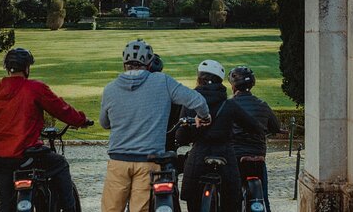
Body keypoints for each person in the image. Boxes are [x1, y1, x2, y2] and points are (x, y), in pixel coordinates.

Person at [99, 39, 211, 212]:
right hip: (149, 160)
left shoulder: (110, 89)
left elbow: (104, 123)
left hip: (118, 161)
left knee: (111, 209)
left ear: (124, 64)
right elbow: (197, 100)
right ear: (149, 63)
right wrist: (204, 116)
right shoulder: (162, 81)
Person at [0, 48, 90, 212]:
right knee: (60, 164)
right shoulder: (34, 88)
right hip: (27, 154)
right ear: (27, 68)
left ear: (7, 68)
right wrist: (81, 120)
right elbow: (60, 109)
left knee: (5, 204)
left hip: (0, 158)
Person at [176, 60, 262, 212]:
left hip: (199, 155)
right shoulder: (229, 105)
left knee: (193, 197)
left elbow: (181, 137)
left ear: (199, 79)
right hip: (225, 155)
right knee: (232, 198)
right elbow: (254, 127)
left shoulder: (191, 103)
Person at [229, 66, 282, 212]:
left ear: (233, 85)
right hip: (258, 156)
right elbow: (275, 126)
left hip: (236, 155)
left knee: (232, 196)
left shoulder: (229, 105)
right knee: (264, 197)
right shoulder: (262, 105)